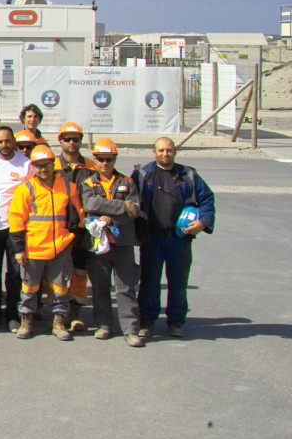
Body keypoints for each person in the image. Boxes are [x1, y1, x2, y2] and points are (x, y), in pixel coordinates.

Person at [134, 137, 215, 340]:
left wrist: (203, 222)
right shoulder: (143, 174)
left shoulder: (188, 175)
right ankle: (147, 321)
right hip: (152, 239)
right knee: (149, 283)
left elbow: (207, 199)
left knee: (178, 283)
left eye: (169, 150)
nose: (165, 154)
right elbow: (129, 199)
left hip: (179, 240)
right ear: (154, 152)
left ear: (175, 151)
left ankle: (176, 322)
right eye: (161, 150)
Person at [8, 144, 82, 341]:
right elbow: (16, 220)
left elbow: (79, 216)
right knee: (29, 287)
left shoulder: (68, 187)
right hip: (34, 247)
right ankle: (26, 321)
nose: (43, 169)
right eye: (38, 165)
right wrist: (19, 249)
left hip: (61, 245)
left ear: (53, 164)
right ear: (33, 167)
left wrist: (73, 239)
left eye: (46, 164)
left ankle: (58, 322)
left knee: (60, 287)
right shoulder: (26, 189)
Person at [79, 138, 144, 345]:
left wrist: (109, 216)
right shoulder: (88, 183)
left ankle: (131, 330)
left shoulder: (128, 182)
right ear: (95, 159)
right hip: (98, 244)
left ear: (115, 159)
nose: (104, 163)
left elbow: (134, 210)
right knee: (100, 287)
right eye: (100, 159)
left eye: (108, 159)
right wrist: (120, 205)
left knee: (126, 287)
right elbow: (90, 204)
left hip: (122, 243)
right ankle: (104, 325)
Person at [0, 125, 30, 331]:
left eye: (8, 141)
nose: (4, 145)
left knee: (15, 275)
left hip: (16, 229)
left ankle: (12, 315)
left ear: (14, 142)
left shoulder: (26, 165)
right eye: (0, 142)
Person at [54, 121, 98, 331]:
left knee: (80, 271)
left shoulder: (92, 167)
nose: (72, 142)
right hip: (57, 228)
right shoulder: (51, 165)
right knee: (58, 272)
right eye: (67, 139)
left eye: (76, 139)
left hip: (83, 228)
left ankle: (76, 311)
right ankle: (58, 313)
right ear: (60, 140)